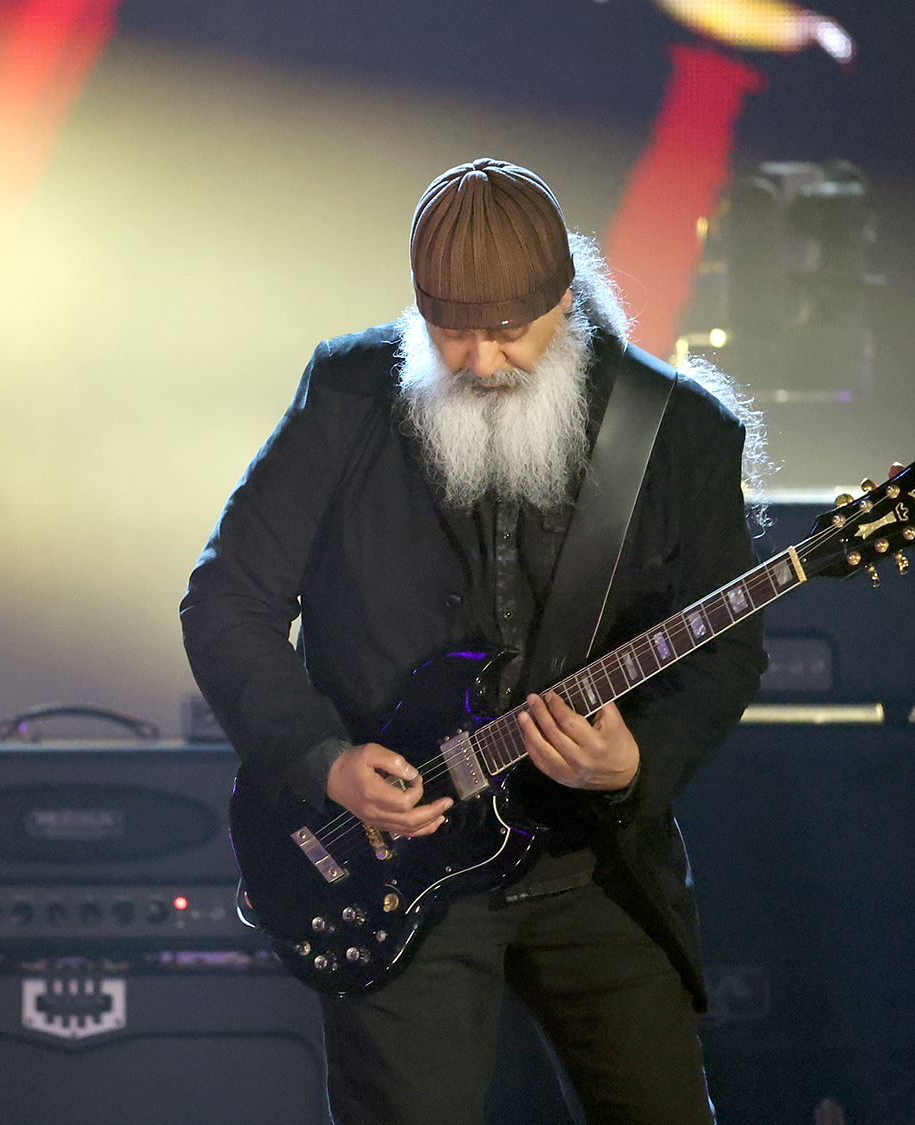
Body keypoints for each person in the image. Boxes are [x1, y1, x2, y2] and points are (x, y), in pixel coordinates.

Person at [180, 158, 769, 1123]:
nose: (481, 363)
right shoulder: (347, 397)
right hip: (398, 872)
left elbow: (727, 652)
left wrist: (637, 757)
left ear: (565, 303)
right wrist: (321, 759)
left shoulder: (678, 432)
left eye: (509, 333)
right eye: (451, 334)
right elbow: (226, 601)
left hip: (596, 870)